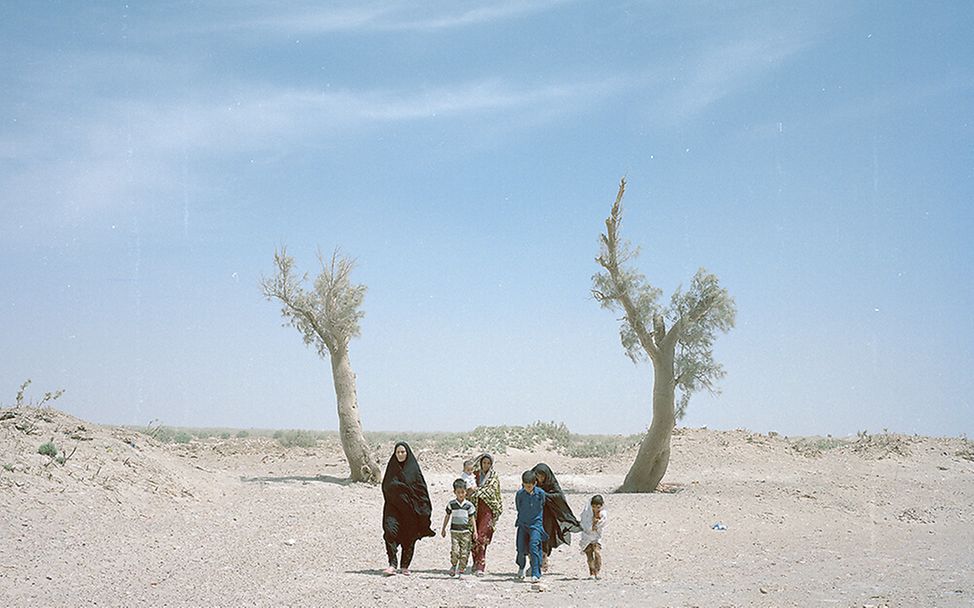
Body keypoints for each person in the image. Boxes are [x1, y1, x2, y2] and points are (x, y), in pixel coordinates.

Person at [381, 442, 435, 576]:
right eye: (398, 452)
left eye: (403, 452)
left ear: (408, 453)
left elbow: (421, 489)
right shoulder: (391, 468)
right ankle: (392, 564)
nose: (400, 455)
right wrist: (398, 488)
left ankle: (405, 565)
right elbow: (386, 486)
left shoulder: (413, 470)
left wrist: (424, 509)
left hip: (410, 510)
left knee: (409, 536)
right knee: (390, 531)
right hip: (392, 507)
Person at [531, 463, 582, 572]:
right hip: (534, 514)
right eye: (538, 476)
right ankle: (535, 563)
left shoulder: (551, 484)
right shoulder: (531, 482)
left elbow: (559, 496)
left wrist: (544, 495)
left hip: (548, 515)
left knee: (545, 537)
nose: (540, 479)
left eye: (542, 476)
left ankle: (543, 563)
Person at [468, 452, 503, 576]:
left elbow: (492, 492)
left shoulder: (493, 477)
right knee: (473, 536)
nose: (486, 465)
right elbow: (467, 488)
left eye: (488, 463)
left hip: (487, 510)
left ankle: (480, 565)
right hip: (474, 509)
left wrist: (476, 491)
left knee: (482, 537)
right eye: (484, 463)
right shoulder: (474, 475)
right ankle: (474, 561)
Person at [514, 469, 548, 586]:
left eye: (530, 486)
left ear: (535, 484)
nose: (527, 488)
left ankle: (536, 573)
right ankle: (521, 567)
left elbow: (542, 505)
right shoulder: (520, 494)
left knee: (534, 546)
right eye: (525, 486)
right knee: (520, 548)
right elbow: (519, 507)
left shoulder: (540, 494)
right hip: (523, 524)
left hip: (536, 525)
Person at [440, 478, 477, 578]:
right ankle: (453, 565)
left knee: (464, 552)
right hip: (454, 532)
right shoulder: (451, 504)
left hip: (465, 532)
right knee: (455, 551)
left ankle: (461, 569)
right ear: (454, 492)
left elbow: (472, 518)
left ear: (466, 492)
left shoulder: (469, 505)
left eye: (463, 492)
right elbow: (447, 516)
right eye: (458, 492)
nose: (461, 494)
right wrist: (443, 528)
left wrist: (475, 531)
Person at [579, 495, 607, 579]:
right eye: (594, 506)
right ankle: (592, 572)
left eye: (598, 507)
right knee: (589, 555)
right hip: (586, 536)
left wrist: (596, 524)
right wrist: (591, 526)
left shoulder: (603, 514)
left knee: (597, 552)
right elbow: (584, 523)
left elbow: (602, 523)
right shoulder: (587, 513)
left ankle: (597, 571)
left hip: (596, 536)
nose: (596, 509)